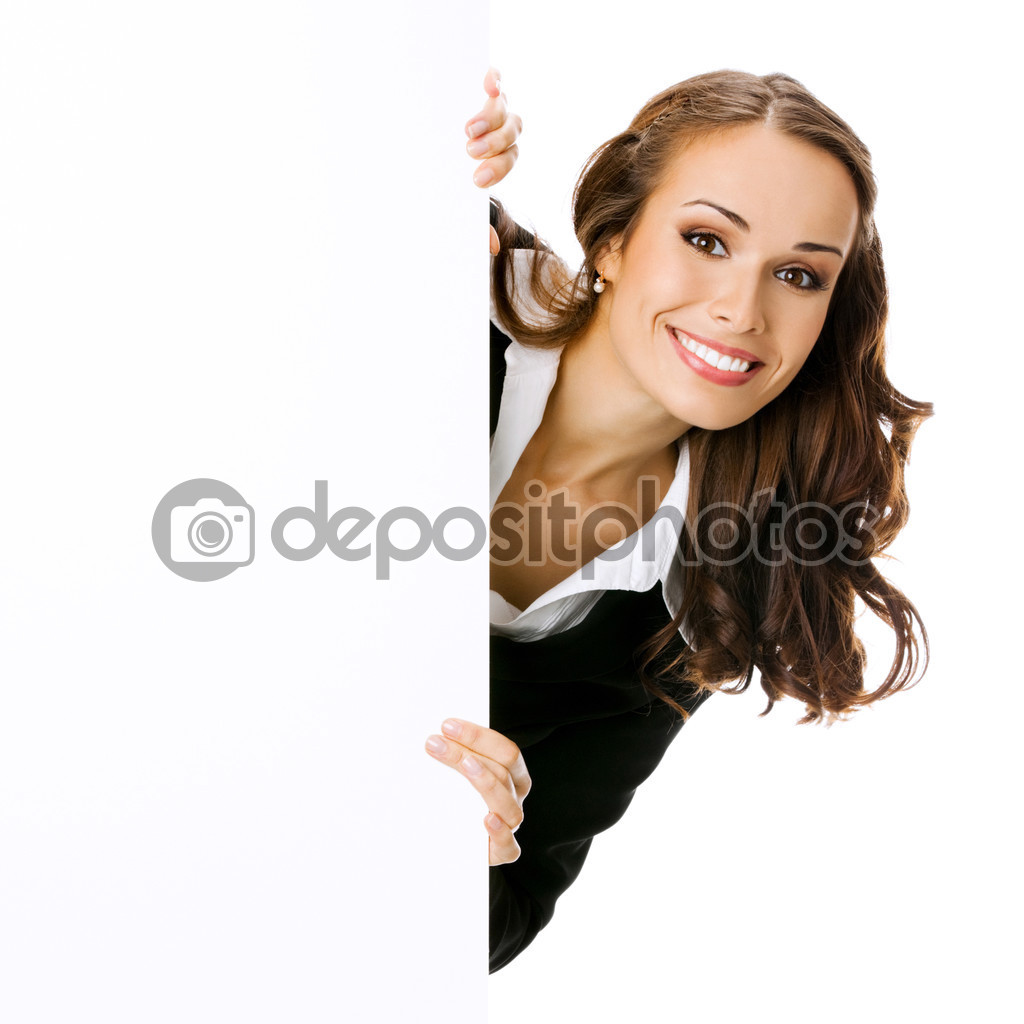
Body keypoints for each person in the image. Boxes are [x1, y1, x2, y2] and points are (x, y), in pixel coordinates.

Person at [426, 68, 931, 972]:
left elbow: (499, 925)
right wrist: (413, 145)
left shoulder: (699, 606)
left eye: (797, 274)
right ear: (613, 240)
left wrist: (466, 855)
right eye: (706, 239)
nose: (743, 310)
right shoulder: (440, 284)